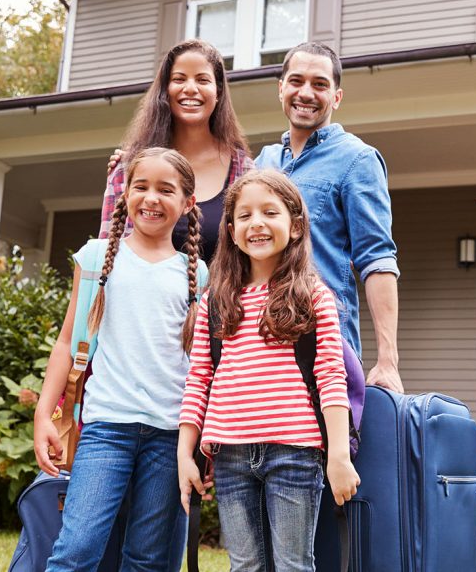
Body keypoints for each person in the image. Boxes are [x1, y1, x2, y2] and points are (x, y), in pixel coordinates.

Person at [177, 169, 361, 572]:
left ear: (294, 227)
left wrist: (339, 458)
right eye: (244, 216)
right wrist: (184, 452)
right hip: (229, 454)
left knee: (294, 565)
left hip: (295, 452)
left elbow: (331, 376)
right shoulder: (215, 300)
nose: (256, 223)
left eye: (269, 213)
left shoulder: (313, 295)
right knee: (245, 566)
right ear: (230, 229)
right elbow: (199, 379)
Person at [34, 147, 206, 572]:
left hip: (170, 435)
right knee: (75, 551)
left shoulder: (197, 275)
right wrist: (44, 414)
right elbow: (65, 342)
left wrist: (204, 441)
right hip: (105, 428)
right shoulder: (95, 259)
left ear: (187, 203)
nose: (151, 198)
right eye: (140, 186)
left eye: (166, 190)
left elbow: (205, 365)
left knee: (148, 560)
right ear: (125, 193)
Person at [255, 41, 403, 393]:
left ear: (336, 97)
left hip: (321, 348)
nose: (306, 93)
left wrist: (388, 361)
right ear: (281, 89)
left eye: (319, 84)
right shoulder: (262, 163)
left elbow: (377, 260)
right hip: (255, 347)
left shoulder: (358, 159)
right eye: (296, 81)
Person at [101, 39, 253, 264]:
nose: (190, 88)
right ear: (165, 90)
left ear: (218, 91)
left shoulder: (243, 170)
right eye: (179, 79)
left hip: (220, 300)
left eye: (202, 80)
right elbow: (106, 252)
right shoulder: (127, 167)